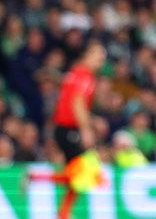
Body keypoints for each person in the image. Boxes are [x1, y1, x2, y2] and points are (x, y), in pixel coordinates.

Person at [25, 42, 108, 219]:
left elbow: (68, 99)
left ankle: (62, 212)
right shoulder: (85, 75)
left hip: (63, 128)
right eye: (98, 54)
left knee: (77, 175)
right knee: (87, 172)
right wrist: (86, 130)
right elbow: (77, 102)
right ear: (86, 54)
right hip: (71, 130)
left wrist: (90, 121)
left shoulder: (73, 73)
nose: (102, 59)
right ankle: (59, 208)